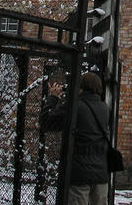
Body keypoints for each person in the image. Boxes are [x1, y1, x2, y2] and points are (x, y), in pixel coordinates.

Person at [42, 71, 111, 205]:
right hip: (101, 174)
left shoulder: (75, 107)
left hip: (80, 174)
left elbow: (47, 122)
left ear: (80, 87)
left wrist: (53, 98)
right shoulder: (104, 108)